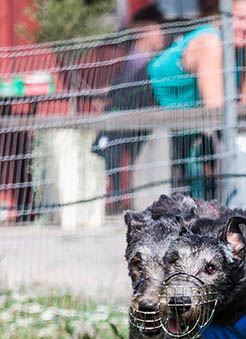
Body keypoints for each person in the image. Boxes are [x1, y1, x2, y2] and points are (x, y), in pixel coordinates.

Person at [148, 0, 246, 205]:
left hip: (195, 127)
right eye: (240, 19)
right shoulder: (210, 41)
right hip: (152, 115)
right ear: (223, 15)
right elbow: (216, 110)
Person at [92, 4, 166, 214]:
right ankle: (116, 200)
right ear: (146, 31)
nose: (163, 36)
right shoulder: (136, 62)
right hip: (121, 123)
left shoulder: (141, 61)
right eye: (159, 30)